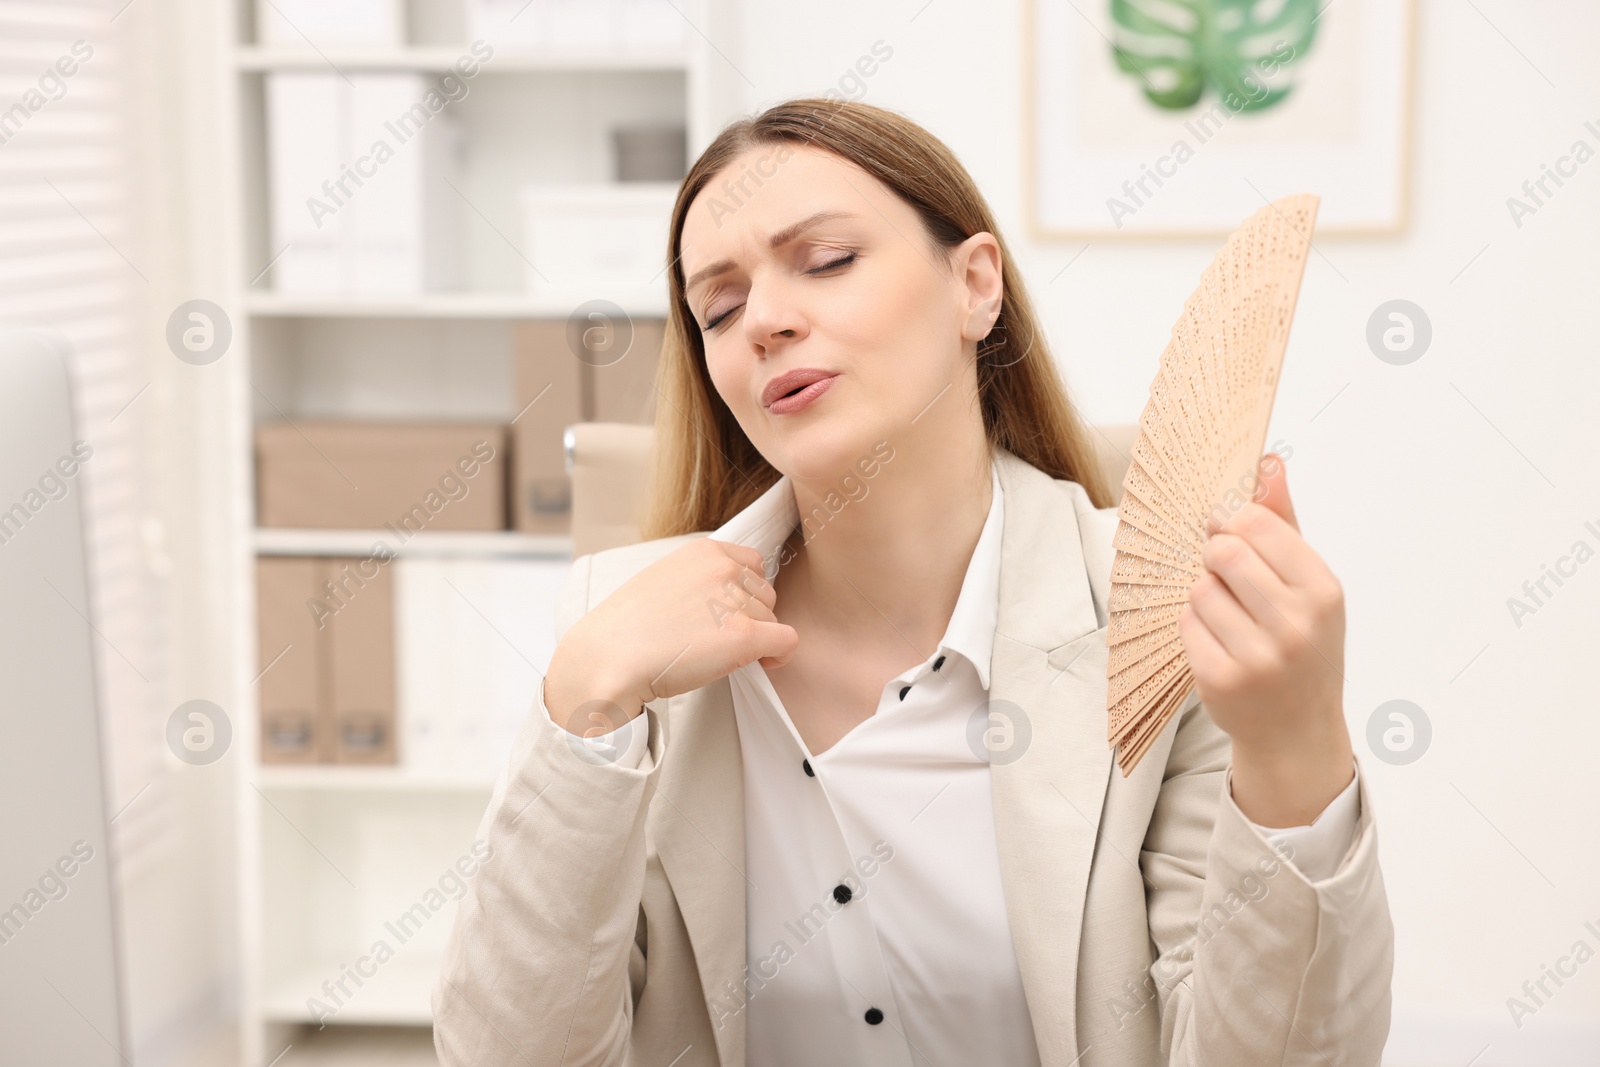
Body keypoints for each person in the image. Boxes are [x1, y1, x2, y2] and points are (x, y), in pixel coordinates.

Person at [432, 97, 1393, 1067]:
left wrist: (1293, 748)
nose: (763, 319)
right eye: (717, 308)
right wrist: (581, 709)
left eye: (827, 260)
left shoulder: (1157, 615)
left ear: (975, 285)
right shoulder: (625, 639)